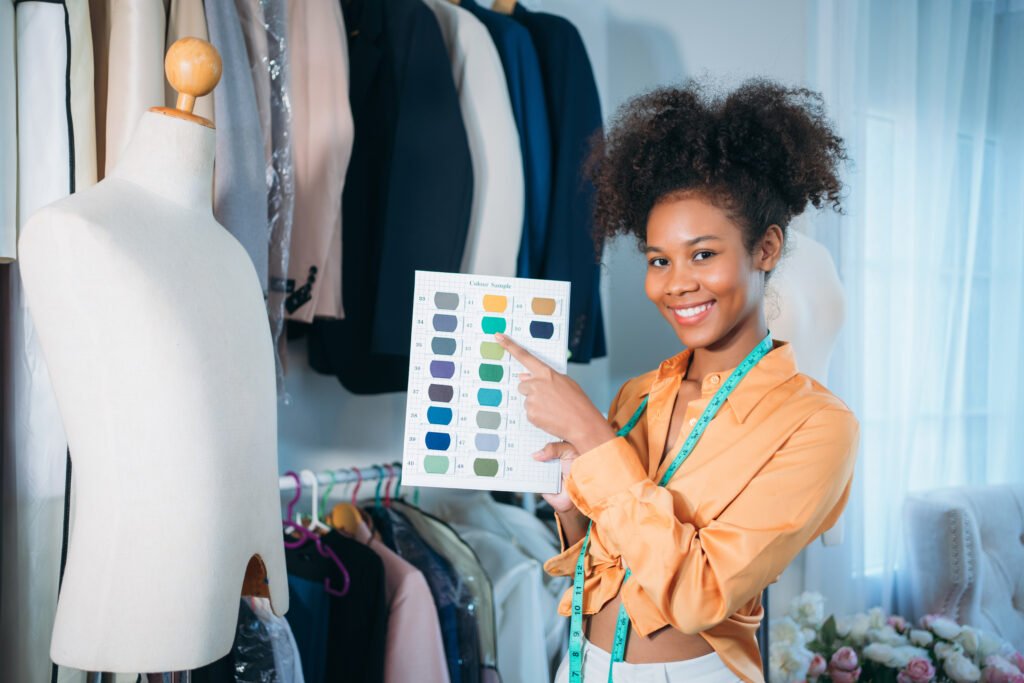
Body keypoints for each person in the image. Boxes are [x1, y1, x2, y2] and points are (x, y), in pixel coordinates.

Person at [495, 79, 860, 683]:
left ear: (765, 248)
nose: (675, 283)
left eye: (703, 254)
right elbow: (612, 557)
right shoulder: (639, 396)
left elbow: (697, 596)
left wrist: (591, 435)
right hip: (581, 665)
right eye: (658, 259)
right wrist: (569, 505)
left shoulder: (818, 427)